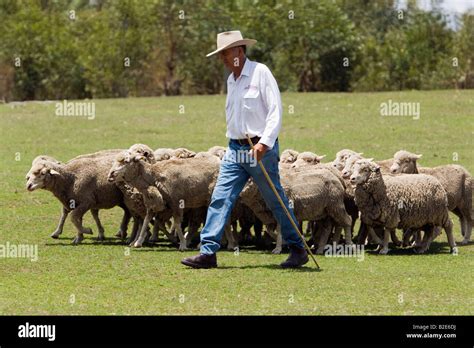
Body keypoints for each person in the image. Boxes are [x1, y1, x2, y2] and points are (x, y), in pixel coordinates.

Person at [181, 30, 308, 269]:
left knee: (274, 199)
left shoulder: (261, 73)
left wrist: (264, 143)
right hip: (235, 149)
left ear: (240, 51)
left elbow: (275, 112)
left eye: (226, 53)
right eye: (221, 55)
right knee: (220, 197)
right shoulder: (232, 80)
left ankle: (298, 248)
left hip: (260, 148)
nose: (223, 59)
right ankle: (208, 252)